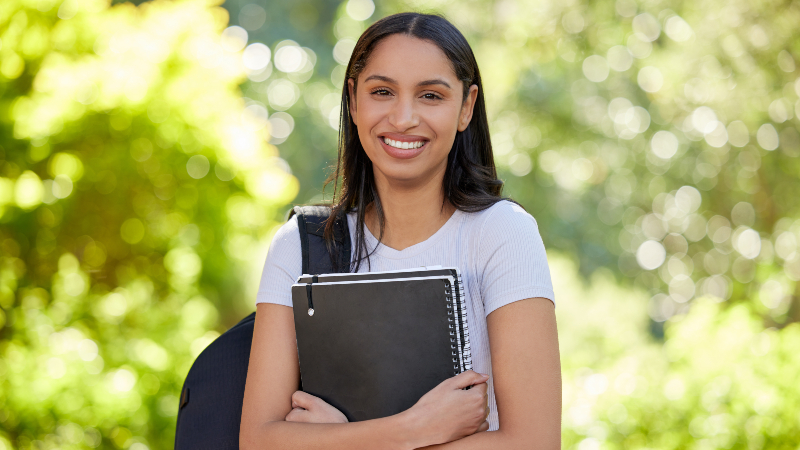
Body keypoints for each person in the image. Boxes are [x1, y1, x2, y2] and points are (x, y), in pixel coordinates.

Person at [240, 12, 561, 450]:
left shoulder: (503, 235)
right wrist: (414, 429)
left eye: (430, 95)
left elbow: (534, 443)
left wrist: (337, 440)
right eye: (382, 92)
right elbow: (258, 441)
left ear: (466, 107)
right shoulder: (300, 246)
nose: (404, 117)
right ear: (353, 101)